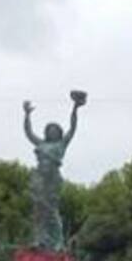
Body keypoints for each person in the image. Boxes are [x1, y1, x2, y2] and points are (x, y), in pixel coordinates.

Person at [23, 92, 85, 251]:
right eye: (49, 129)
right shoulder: (41, 143)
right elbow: (29, 133)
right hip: (39, 177)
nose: (51, 132)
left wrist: (75, 109)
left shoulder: (61, 144)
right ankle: (40, 240)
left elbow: (73, 128)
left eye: (54, 130)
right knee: (39, 212)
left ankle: (58, 241)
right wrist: (27, 115)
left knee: (51, 211)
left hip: (53, 178)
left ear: (58, 132)